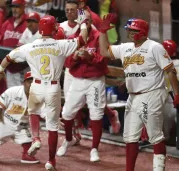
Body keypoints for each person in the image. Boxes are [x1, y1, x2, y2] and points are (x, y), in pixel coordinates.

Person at [0, 12, 88, 170]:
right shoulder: (61, 44)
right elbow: (83, 39)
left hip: (36, 85)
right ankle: (51, 160)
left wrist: (0, 71)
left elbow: (8, 57)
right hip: (53, 87)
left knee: (33, 112)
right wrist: (83, 21)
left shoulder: (30, 46)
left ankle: (35, 138)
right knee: (52, 127)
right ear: (53, 29)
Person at [99, 15, 179, 171]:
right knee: (130, 137)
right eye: (128, 30)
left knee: (154, 135)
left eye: (133, 30)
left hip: (152, 93)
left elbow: (170, 71)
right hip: (133, 95)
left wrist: (176, 94)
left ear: (142, 32)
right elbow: (104, 51)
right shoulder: (126, 47)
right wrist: (103, 32)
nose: (129, 33)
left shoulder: (154, 47)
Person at [61, 0, 120, 143]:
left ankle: (110, 114)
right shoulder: (63, 27)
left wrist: (90, 57)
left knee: (91, 104)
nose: (71, 12)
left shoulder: (93, 18)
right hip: (72, 69)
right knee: (71, 105)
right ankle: (74, 135)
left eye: (74, 9)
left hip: (92, 73)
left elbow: (103, 47)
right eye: (68, 9)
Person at [56, 10, 109, 162]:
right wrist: (75, 58)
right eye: (82, 21)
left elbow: (105, 61)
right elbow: (66, 63)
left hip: (95, 80)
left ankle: (94, 149)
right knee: (67, 113)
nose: (84, 23)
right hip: (78, 80)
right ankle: (68, 140)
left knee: (96, 115)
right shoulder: (73, 38)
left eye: (86, 21)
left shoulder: (99, 37)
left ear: (91, 21)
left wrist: (90, 57)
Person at [0, 71, 39, 164]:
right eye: (29, 81)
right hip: (6, 122)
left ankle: (26, 155)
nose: (32, 84)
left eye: (34, 82)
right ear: (24, 82)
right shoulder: (14, 91)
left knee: (28, 139)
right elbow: (1, 102)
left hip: (22, 126)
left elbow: (44, 111)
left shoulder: (38, 96)